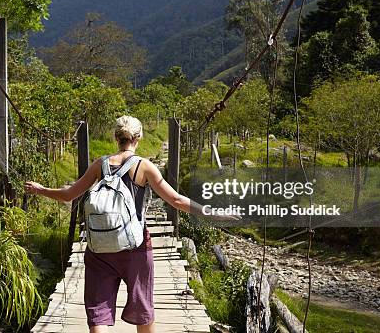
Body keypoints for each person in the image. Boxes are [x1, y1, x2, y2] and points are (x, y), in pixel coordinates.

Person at [25, 115, 235, 333]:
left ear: (116, 137)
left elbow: (69, 195)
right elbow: (176, 200)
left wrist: (41, 189)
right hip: (136, 248)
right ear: (139, 137)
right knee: (143, 309)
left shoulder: (100, 164)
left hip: (99, 248)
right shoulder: (144, 167)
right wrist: (214, 213)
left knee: (99, 312)